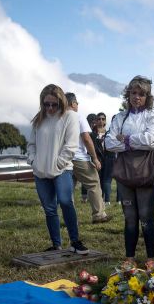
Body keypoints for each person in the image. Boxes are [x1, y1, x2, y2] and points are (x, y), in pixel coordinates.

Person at [105, 75, 154, 267]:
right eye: (133, 93)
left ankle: (150, 258)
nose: (137, 97)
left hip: (149, 170)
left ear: (148, 96)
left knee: (146, 215)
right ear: (128, 94)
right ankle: (129, 258)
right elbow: (108, 143)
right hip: (125, 172)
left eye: (141, 94)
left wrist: (126, 140)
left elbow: (151, 140)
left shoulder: (153, 114)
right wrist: (133, 143)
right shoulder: (120, 117)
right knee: (130, 217)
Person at [27, 85, 89, 254]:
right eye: (46, 104)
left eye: (54, 104)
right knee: (49, 208)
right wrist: (33, 160)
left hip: (62, 169)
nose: (50, 108)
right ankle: (56, 244)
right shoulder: (39, 119)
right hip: (40, 171)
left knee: (66, 201)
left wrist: (59, 163)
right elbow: (31, 144)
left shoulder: (70, 116)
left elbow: (71, 145)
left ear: (61, 102)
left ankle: (75, 241)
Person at [67, 93, 109, 223]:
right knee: (94, 184)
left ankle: (70, 218)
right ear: (73, 103)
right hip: (79, 157)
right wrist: (95, 158)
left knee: (69, 189)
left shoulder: (59, 116)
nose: (78, 105)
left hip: (64, 158)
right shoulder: (78, 116)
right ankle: (99, 215)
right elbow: (86, 138)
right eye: (77, 102)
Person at [95, 112, 115, 206]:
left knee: (106, 179)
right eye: (99, 119)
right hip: (97, 159)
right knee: (98, 179)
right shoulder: (92, 134)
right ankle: (100, 198)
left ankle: (107, 200)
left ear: (105, 121)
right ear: (96, 121)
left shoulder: (109, 133)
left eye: (103, 119)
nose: (101, 121)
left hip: (109, 158)